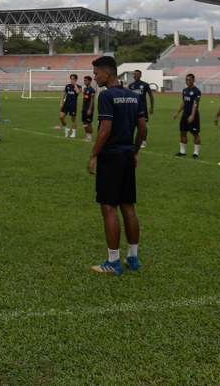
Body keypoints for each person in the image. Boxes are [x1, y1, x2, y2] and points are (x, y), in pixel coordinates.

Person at [86, 56, 145, 275]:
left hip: (110, 156)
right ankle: (133, 258)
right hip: (128, 155)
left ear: (107, 73)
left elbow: (105, 129)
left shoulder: (106, 95)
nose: (94, 77)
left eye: (96, 73)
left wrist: (93, 155)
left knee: (109, 207)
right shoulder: (132, 95)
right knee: (128, 206)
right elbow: (143, 128)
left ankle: (113, 262)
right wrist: (135, 152)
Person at [173, 73, 201, 158]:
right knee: (183, 133)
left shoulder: (196, 91)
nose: (187, 81)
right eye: (186, 80)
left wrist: (192, 115)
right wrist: (178, 112)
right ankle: (182, 152)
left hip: (193, 115)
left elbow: (195, 104)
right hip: (185, 115)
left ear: (194, 80)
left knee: (195, 134)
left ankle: (196, 153)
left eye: (189, 80)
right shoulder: (185, 90)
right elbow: (184, 102)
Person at [127, 70, 154, 146]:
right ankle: (131, 140)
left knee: (143, 125)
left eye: (137, 74)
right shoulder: (131, 86)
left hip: (142, 108)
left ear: (140, 75)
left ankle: (144, 140)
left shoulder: (145, 85)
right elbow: (128, 97)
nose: (136, 75)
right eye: (135, 74)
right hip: (133, 108)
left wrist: (151, 107)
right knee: (132, 124)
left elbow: (151, 96)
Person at [81, 75, 96, 142]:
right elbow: (84, 99)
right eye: (84, 80)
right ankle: (87, 136)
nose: (85, 82)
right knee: (84, 122)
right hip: (84, 109)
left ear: (89, 81)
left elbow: (92, 100)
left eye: (86, 80)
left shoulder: (91, 90)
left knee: (88, 122)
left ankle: (90, 137)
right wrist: (82, 107)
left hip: (88, 109)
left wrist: (90, 109)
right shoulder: (85, 89)